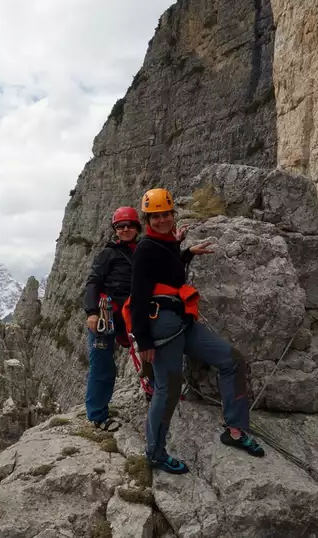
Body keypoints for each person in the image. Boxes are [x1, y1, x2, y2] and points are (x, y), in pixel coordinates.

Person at [126, 187, 265, 474]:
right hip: (162, 327)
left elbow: (170, 271)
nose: (163, 220)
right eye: (156, 216)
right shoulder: (145, 248)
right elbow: (138, 296)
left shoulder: (163, 243)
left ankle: (235, 431)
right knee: (168, 389)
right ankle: (155, 453)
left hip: (182, 322)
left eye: (167, 214)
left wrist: (185, 251)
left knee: (232, 361)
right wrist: (144, 340)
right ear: (148, 219)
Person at [82, 206, 143, 432]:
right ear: (115, 230)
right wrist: (91, 312)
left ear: (137, 227)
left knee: (149, 354)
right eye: (120, 227)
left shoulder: (144, 251)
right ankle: (98, 416)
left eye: (129, 225)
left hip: (132, 313)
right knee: (102, 364)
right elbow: (93, 282)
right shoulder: (107, 254)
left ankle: (153, 391)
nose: (125, 229)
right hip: (106, 315)